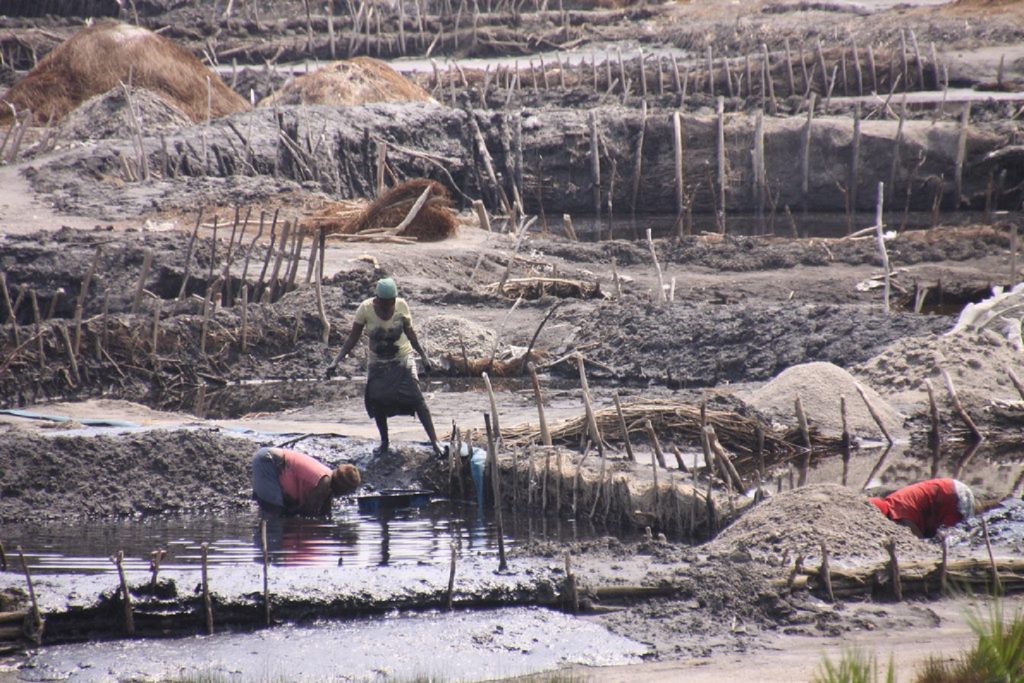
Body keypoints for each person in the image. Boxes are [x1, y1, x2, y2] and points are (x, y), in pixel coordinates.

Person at [325, 276, 444, 458]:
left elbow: (411, 334)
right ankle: (385, 442)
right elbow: (352, 338)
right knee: (377, 399)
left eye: (391, 304)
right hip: (378, 362)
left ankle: (435, 442)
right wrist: (335, 362)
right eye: (385, 304)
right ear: (377, 301)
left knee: (417, 399)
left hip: (402, 359)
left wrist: (424, 356)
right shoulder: (365, 309)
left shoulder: (402, 306)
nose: (388, 308)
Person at [251, 446, 361, 516]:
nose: (343, 495)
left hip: (272, 460)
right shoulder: (324, 482)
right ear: (340, 486)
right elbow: (307, 512)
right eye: (345, 491)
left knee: (281, 509)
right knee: (275, 511)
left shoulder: (327, 480)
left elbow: (325, 512)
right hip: (269, 461)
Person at [868, 478, 975, 538]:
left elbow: (918, 544)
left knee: (956, 537)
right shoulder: (893, 501)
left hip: (952, 495)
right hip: (948, 486)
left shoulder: (901, 517)